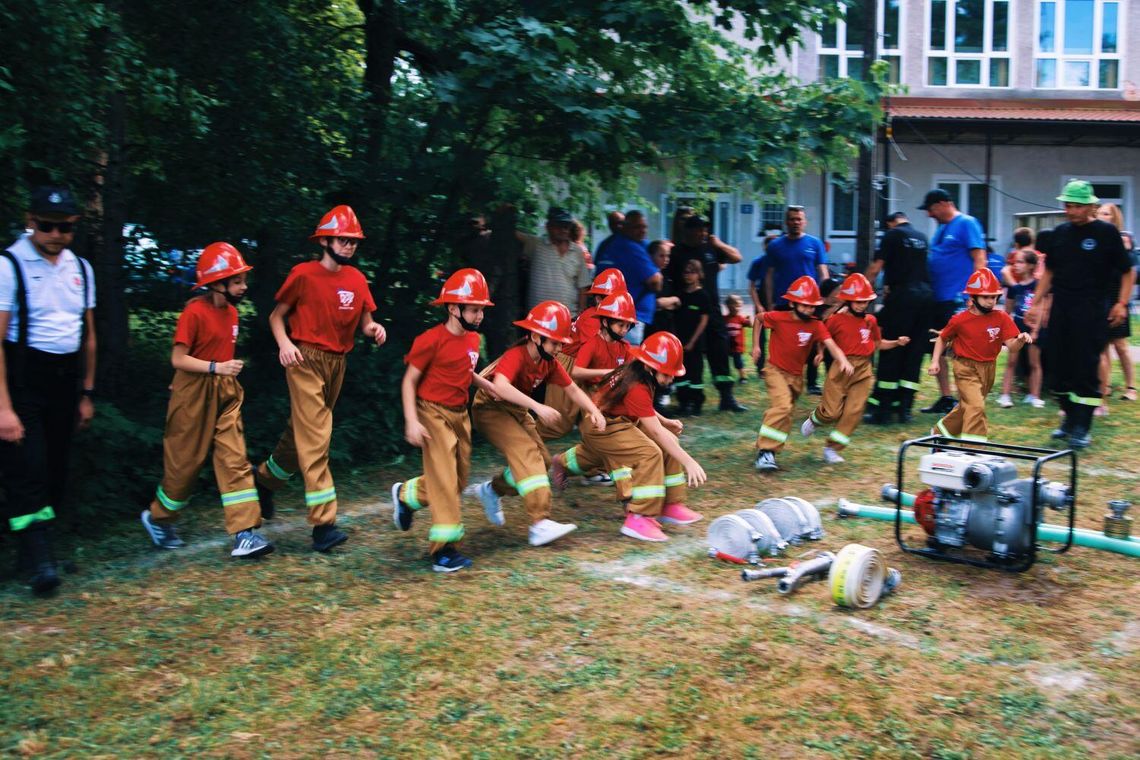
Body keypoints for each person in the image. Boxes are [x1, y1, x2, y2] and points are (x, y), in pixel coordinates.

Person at [253, 205, 386, 552]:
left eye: (353, 241)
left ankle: (264, 481)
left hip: (337, 363)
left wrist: (374, 329)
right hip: (304, 360)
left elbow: (366, 322)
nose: (349, 246)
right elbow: (276, 316)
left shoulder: (357, 279)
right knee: (316, 436)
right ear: (325, 240)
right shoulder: (303, 274)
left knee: (300, 434)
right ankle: (323, 525)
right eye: (343, 240)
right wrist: (284, 345)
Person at [140, 243, 272, 558]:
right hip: (192, 394)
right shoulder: (194, 312)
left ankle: (245, 534)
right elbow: (178, 359)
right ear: (216, 283)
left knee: (235, 460)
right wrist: (216, 367)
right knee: (184, 467)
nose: (244, 286)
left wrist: (223, 372)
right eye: (237, 281)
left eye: (243, 280)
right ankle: (158, 517)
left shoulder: (233, 313)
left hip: (225, 391)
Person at [0, 186, 95, 595]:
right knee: (28, 469)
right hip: (23, 379)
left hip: (65, 380)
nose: (56, 234)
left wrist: (86, 392)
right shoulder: (9, 265)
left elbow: (88, 335)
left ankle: (30, 554)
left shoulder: (81, 268)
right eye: (47, 225)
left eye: (65, 227)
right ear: (30, 220)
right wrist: (4, 408)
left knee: (55, 469)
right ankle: (41, 561)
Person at [470, 301, 606, 549]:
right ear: (535, 336)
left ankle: (491, 490)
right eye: (555, 343)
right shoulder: (516, 355)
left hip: (516, 409)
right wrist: (538, 407)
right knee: (528, 455)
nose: (559, 348)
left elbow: (573, 389)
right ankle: (539, 523)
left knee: (541, 461)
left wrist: (594, 411)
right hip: (490, 409)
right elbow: (500, 386)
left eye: (561, 343)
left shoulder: (549, 361)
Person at [391, 269, 498, 573]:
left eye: (481, 309)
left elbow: (462, 368)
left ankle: (406, 495)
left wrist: (483, 383)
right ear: (453, 308)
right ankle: (444, 550)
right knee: (445, 478)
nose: (479, 315)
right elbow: (409, 381)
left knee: (458, 479)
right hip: (431, 412)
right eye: (474, 309)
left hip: (459, 413)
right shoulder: (430, 340)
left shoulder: (474, 339)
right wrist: (412, 421)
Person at [567, 331, 707, 542]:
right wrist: (688, 462)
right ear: (650, 367)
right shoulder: (637, 385)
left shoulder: (639, 370)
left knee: (669, 442)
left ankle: (670, 505)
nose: (670, 380)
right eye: (667, 374)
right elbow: (654, 431)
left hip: (620, 419)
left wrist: (666, 422)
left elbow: (644, 409)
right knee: (649, 454)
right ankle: (639, 517)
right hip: (601, 425)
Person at [1027, 180, 1131, 448]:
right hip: (1062, 305)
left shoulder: (1106, 233)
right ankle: (1069, 419)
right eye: (1067, 205)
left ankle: (1083, 427)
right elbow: (1049, 271)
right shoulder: (1060, 233)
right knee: (1059, 363)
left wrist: (1121, 303)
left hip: (1092, 307)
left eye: (1076, 206)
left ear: (1090, 207)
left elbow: (1127, 270)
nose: (1070, 211)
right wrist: (1036, 303)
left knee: (1085, 366)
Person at [800, 274, 909, 464]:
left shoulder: (870, 321)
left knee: (854, 411)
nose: (861, 305)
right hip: (841, 367)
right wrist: (819, 352)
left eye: (865, 301)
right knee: (831, 412)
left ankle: (832, 449)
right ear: (848, 300)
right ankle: (816, 419)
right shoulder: (835, 320)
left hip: (864, 370)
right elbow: (824, 338)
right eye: (858, 301)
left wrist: (896, 343)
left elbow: (877, 344)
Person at [751, 276, 852, 472]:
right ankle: (765, 452)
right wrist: (756, 346)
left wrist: (842, 360)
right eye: (804, 306)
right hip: (774, 370)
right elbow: (758, 319)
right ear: (792, 303)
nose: (808, 310)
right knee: (782, 406)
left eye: (812, 306)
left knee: (785, 412)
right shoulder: (779, 318)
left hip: (796, 377)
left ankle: (770, 446)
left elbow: (830, 343)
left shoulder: (815, 325)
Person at [549, 292, 638, 493]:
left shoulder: (625, 347)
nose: (624, 330)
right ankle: (628, 497)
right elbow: (577, 371)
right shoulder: (593, 341)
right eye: (620, 325)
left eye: (627, 325)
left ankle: (562, 463)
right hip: (595, 399)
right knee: (610, 441)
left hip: (614, 401)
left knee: (596, 449)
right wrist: (607, 372)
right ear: (605, 321)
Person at [929, 269, 1032, 443]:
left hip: (988, 369)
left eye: (994, 297)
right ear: (973, 297)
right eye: (986, 297)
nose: (991, 301)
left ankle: (939, 434)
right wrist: (934, 362)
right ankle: (973, 448)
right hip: (965, 368)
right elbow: (942, 338)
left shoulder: (1002, 318)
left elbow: (1012, 347)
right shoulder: (959, 320)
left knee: (968, 407)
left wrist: (1020, 339)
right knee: (976, 406)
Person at [535, 267, 627, 442]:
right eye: (608, 299)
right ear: (598, 298)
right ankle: (525, 445)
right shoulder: (595, 319)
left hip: (583, 365)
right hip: (568, 364)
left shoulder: (606, 318)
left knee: (593, 422)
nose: (615, 305)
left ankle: (593, 463)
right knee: (557, 423)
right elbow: (597, 352)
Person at [667, 215, 746, 412]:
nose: (702, 233)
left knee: (720, 352)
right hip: (688, 315)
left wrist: (718, 243)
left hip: (713, 312)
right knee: (689, 358)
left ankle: (726, 397)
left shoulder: (711, 249)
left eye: (704, 229)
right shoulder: (676, 253)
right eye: (698, 229)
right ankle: (688, 400)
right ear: (687, 230)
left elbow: (737, 257)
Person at [919, 188, 988, 415]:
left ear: (942, 204)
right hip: (937, 299)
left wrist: (975, 296)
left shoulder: (967, 223)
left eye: (930, 209)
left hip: (957, 298)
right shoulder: (941, 229)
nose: (929, 215)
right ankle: (946, 397)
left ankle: (967, 400)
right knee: (936, 349)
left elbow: (979, 259)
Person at [864, 211, 933, 424]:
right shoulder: (922, 237)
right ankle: (904, 409)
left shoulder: (892, 235)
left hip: (902, 297)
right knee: (914, 352)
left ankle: (882, 411)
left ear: (890, 223)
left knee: (892, 348)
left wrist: (859, 291)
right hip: (926, 298)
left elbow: (876, 268)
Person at [763, 206, 828, 395]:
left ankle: (813, 382)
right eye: (792, 219)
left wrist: (824, 298)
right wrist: (769, 303)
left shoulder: (815, 244)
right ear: (786, 222)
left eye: (799, 219)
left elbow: (822, 272)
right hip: (785, 303)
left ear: (805, 221)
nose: (795, 222)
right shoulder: (775, 246)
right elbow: (769, 275)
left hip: (810, 303)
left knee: (812, 341)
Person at [594, 210, 661, 345]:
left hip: (616, 316)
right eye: (637, 227)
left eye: (644, 226)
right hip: (628, 319)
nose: (642, 231)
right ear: (626, 227)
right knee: (625, 363)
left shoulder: (611, 244)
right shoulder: (629, 247)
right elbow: (656, 282)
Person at [1094, 203, 1135, 406]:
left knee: (1120, 345)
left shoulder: (1120, 242)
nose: (1101, 215)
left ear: (1114, 218)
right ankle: (1105, 386)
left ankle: (1130, 387)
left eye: (1106, 213)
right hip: (1100, 297)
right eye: (1099, 212)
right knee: (1103, 347)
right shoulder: (1096, 240)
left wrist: (1122, 302)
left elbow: (1130, 271)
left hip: (1117, 297)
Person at [519, 207, 592, 314]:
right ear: (548, 227)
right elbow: (511, 233)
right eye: (559, 226)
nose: (564, 230)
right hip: (537, 317)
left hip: (567, 316)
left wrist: (581, 313)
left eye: (567, 226)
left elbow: (583, 286)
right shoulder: (536, 245)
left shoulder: (577, 251)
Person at [997, 251, 1044, 409]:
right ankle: (1005, 395)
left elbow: (1041, 307)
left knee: (1034, 363)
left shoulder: (1038, 285)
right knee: (1011, 362)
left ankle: (1034, 395)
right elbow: (1008, 310)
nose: (1016, 265)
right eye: (1015, 262)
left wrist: (1036, 330)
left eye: (1020, 262)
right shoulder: (1014, 288)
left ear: (1031, 266)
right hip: (1016, 327)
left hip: (1032, 327)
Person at [672, 259, 712, 416]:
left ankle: (696, 403)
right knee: (681, 373)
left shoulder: (702, 295)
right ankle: (683, 402)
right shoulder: (680, 295)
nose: (688, 275)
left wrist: (692, 341)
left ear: (699, 274)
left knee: (695, 373)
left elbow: (704, 320)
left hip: (695, 343)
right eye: (685, 272)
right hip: (680, 343)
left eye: (692, 272)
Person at [723, 294, 749, 384]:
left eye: (739, 306)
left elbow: (749, 324)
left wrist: (749, 321)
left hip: (737, 347)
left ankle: (743, 377)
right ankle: (726, 376)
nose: (737, 308)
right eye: (735, 305)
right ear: (728, 306)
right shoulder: (724, 319)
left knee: (739, 363)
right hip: (727, 346)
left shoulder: (740, 318)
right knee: (725, 362)